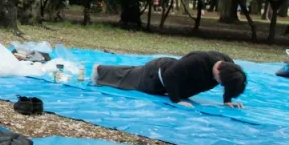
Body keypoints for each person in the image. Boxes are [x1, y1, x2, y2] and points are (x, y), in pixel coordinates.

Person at [91, 51, 247, 108]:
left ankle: (102, 70)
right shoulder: (199, 61)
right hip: (158, 75)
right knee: (130, 80)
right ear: (218, 71)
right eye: (220, 82)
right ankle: (99, 70)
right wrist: (176, 100)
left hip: (173, 76)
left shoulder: (228, 65)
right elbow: (170, 75)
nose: (218, 85)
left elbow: (229, 82)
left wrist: (227, 100)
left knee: (132, 72)